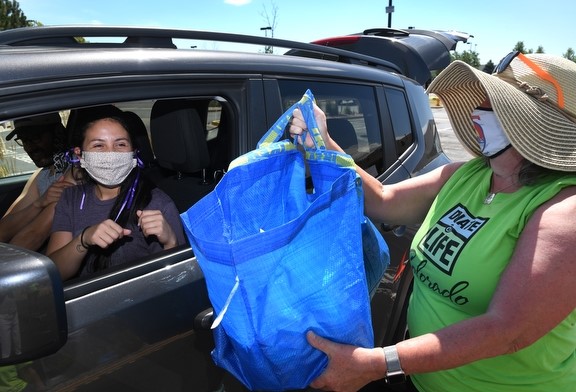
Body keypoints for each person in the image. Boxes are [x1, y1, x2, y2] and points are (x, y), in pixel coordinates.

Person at [289, 53, 576, 391]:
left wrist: (378, 364)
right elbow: (383, 200)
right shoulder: (464, 175)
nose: (477, 109)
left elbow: (507, 329)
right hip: (423, 379)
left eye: (494, 103)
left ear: (535, 123)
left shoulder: (564, 211)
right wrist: (323, 144)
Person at [46, 113, 186, 280]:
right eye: (98, 145)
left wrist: (171, 242)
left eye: (120, 144)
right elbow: (54, 274)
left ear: (133, 153)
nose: (110, 154)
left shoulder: (157, 203)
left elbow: (176, 280)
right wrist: (83, 240)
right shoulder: (70, 197)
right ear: (80, 155)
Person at [0, 113, 76, 251]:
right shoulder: (41, 175)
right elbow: (3, 229)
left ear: (58, 132)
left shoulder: (73, 174)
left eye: (35, 138)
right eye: (24, 140)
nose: (29, 148)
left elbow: (35, 235)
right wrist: (38, 204)